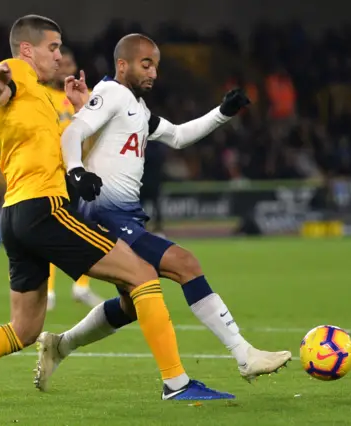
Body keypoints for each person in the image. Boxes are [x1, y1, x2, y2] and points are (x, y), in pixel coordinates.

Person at [0, 16, 234, 403]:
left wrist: (78, 109)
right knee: (143, 274)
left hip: (15, 216)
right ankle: (177, 385)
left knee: (24, 330)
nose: (60, 55)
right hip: (45, 209)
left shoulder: (42, 99)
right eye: (53, 47)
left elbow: (70, 148)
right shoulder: (18, 75)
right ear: (28, 49)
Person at [35, 34, 291, 391]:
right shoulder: (113, 94)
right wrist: (76, 171)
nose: (153, 72)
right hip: (105, 217)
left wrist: (223, 113)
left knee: (130, 303)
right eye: (145, 64)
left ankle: (60, 346)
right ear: (122, 65)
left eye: (156, 65)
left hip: (123, 217)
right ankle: (243, 355)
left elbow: (178, 136)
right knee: (185, 264)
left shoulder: (137, 107)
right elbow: (73, 132)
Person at [43, 45, 102, 311]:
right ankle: (49, 291)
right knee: (51, 229)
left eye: (70, 64)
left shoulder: (83, 97)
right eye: (61, 64)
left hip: (79, 169)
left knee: (88, 225)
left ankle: (81, 287)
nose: (65, 68)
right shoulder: (44, 96)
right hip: (54, 170)